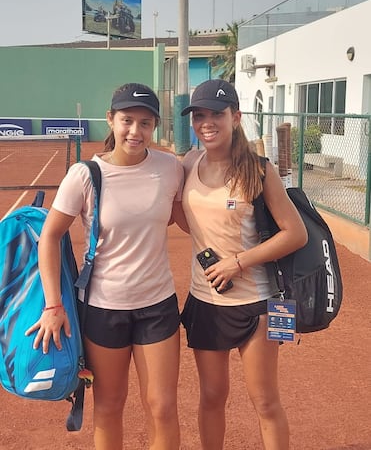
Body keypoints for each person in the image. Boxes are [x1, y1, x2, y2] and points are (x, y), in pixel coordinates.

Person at [26, 83, 184, 450]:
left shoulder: (169, 168)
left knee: (162, 407)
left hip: (157, 305)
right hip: (103, 309)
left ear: (155, 126)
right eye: (127, 120)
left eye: (146, 123)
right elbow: (49, 238)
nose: (135, 131)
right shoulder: (85, 175)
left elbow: (186, 215)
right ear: (110, 120)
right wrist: (53, 305)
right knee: (109, 406)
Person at [178, 79, 308, 450]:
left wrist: (238, 262)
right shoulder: (189, 162)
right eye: (199, 115)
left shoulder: (259, 170)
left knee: (265, 399)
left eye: (216, 114)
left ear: (235, 117)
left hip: (261, 304)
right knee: (212, 397)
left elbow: (295, 234)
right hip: (206, 302)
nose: (207, 123)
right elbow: (190, 220)